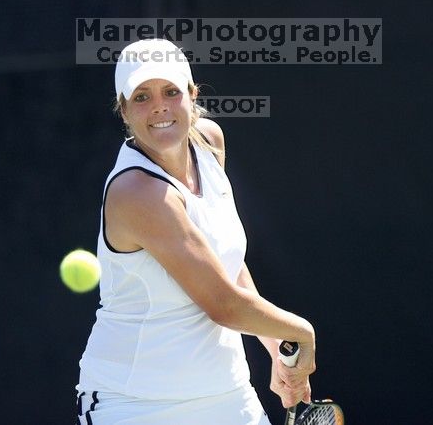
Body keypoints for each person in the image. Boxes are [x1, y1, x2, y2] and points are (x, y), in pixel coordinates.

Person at [75, 38, 316, 425]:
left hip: (227, 396)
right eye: (141, 96)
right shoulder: (137, 192)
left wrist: (276, 347)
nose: (159, 106)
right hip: (135, 405)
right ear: (123, 109)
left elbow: (224, 264)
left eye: (171, 91)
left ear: (192, 94)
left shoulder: (209, 142)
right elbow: (222, 304)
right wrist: (301, 331)